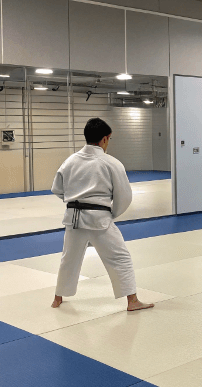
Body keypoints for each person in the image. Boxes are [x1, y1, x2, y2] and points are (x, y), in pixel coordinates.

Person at [51, 117, 153, 312]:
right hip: (99, 219)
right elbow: (124, 196)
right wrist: (111, 213)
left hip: (73, 218)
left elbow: (56, 189)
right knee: (119, 258)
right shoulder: (111, 163)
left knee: (69, 258)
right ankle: (132, 300)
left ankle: (58, 298)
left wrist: (73, 200)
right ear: (105, 139)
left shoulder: (70, 161)